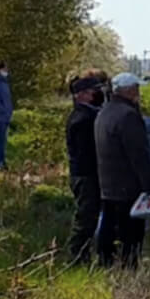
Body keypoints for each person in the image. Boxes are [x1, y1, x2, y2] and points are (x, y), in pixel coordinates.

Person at [93, 72, 150, 268]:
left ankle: (104, 263)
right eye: (136, 89)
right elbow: (138, 153)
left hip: (107, 181)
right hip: (128, 184)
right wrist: (148, 185)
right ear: (129, 91)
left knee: (108, 225)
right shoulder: (128, 116)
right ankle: (130, 267)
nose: (138, 93)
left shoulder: (103, 113)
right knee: (132, 232)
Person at [63, 71, 105, 266]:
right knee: (86, 218)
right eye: (92, 92)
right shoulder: (83, 119)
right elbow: (88, 151)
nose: (96, 95)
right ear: (81, 94)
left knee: (90, 215)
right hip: (86, 175)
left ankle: (82, 254)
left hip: (85, 173)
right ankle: (76, 257)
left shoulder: (86, 115)